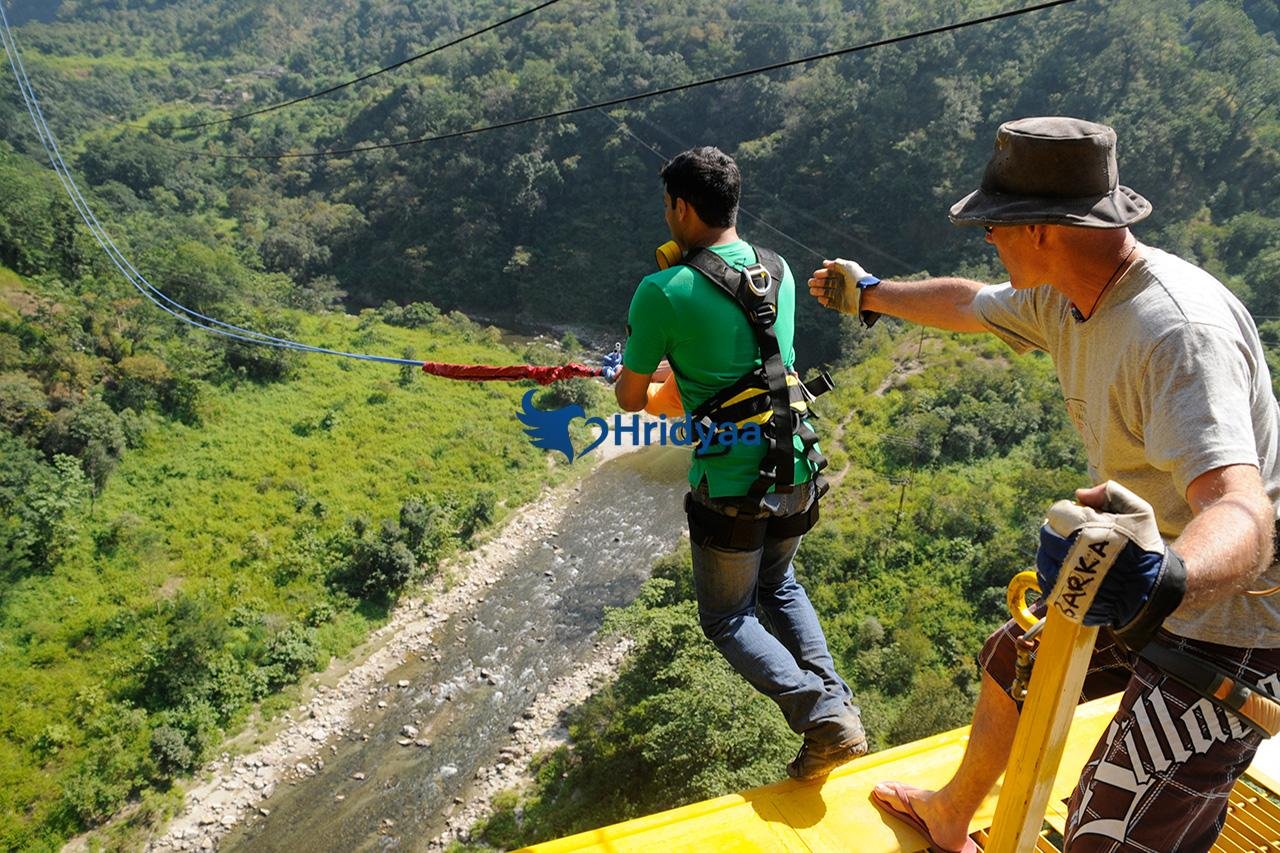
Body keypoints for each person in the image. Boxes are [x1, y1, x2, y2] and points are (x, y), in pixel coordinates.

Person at [809, 116, 1280, 851]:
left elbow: (1241, 507)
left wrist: (1161, 579)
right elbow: (968, 303)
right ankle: (951, 812)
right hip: (1149, 572)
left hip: (1238, 620)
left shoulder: (1177, 334)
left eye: (995, 225)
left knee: (1107, 821)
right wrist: (870, 293)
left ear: (1042, 230)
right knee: (1015, 659)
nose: (989, 238)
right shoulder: (1068, 294)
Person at [614, 146, 866, 780]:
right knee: (779, 586)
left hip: (732, 481)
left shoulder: (663, 290)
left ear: (679, 206)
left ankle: (819, 713)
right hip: (797, 463)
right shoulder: (774, 271)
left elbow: (631, 395)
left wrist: (653, 379)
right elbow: (746, 365)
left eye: (665, 205)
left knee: (728, 617)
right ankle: (837, 713)